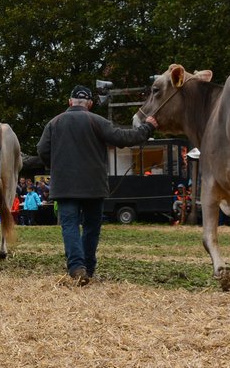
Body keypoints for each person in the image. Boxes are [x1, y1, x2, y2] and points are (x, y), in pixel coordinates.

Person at [36, 85, 156, 285]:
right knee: (92, 228)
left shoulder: (54, 123)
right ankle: (89, 269)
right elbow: (123, 138)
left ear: (70, 102)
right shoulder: (98, 121)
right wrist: (148, 127)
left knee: (70, 226)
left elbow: (42, 150)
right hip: (93, 186)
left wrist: (56, 165)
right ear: (90, 104)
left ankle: (76, 267)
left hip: (65, 186)